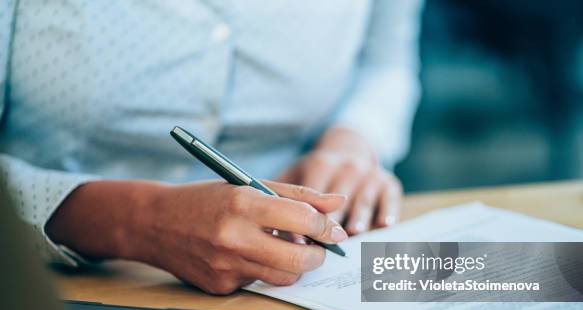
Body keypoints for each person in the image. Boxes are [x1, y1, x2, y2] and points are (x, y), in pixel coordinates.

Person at [0, 0, 422, 294]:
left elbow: (384, 63)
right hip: (46, 285)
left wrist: (352, 141)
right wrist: (137, 222)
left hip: (289, 283)